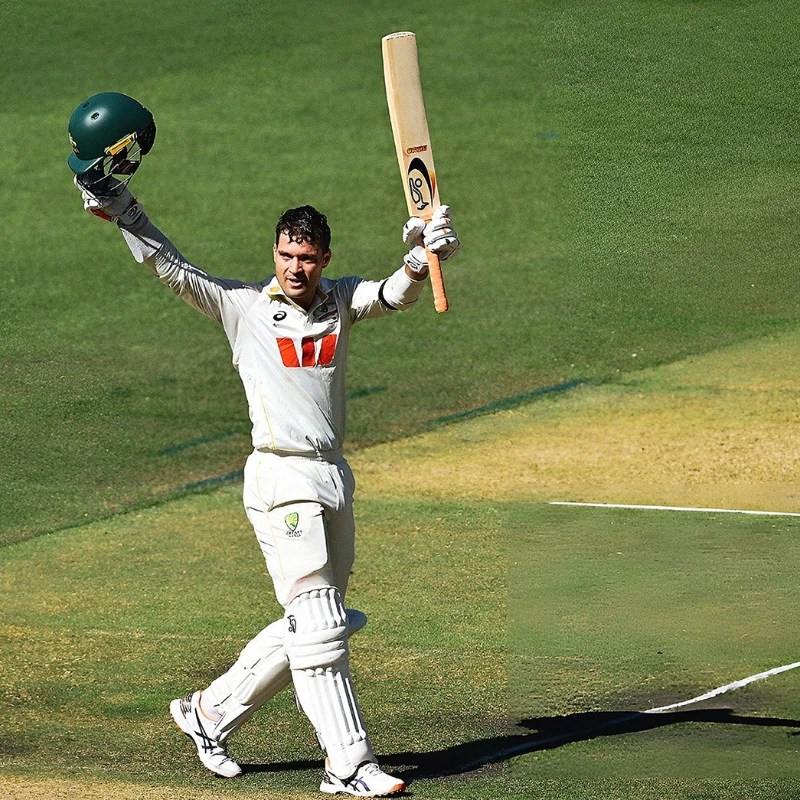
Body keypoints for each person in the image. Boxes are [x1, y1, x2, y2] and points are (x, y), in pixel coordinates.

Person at [74, 175, 459, 797]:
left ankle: (208, 713)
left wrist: (423, 254)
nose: (295, 267)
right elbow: (173, 268)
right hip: (279, 475)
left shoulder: (339, 299)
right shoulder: (245, 306)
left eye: (306, 257)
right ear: (273, 253)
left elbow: (392, 294)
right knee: (320, 620)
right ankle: (349, 765)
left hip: (332, 472)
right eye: (285, 255)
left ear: (324, 258)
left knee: (316, 622)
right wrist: (124, 210)